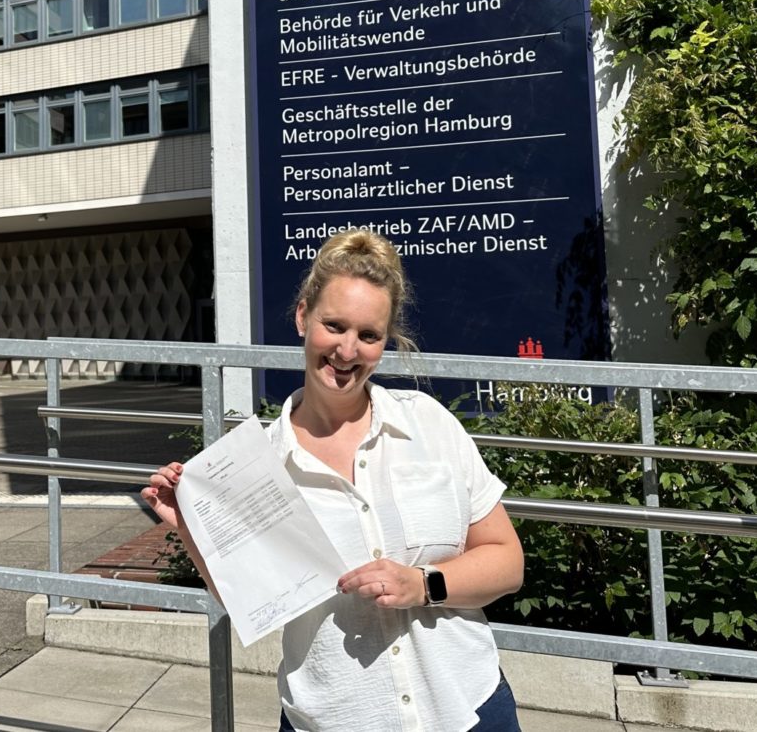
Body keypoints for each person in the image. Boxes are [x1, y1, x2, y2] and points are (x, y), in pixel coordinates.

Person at [142, 229, 524, 731]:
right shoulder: (260, 465)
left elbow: (507, 560)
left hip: (467, 708)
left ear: (384, 343)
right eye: (334, 325)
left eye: (369, 335)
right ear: (303, 317)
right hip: (335, 719)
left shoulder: (427, 423)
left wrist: (423, 583)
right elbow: (252, 603)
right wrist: (192, 526)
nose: (347, 350)